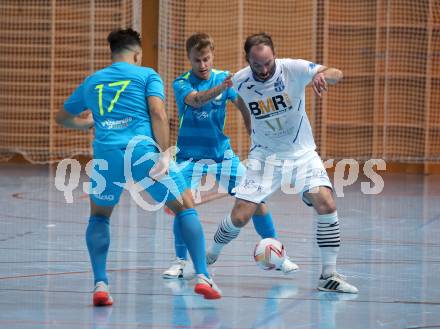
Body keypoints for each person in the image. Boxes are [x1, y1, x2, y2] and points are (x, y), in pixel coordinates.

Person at [56, 28, 221, 304]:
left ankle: (100, 284)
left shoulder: (92, 82)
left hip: (107, 156)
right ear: (137, 53)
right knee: (185, 205)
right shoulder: (146, 74)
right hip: (142, 153)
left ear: (113, 53)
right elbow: (157, 112)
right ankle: (204, 276)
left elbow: (61, 117)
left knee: (99, 216)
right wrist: (166, 153)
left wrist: (85, 123)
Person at [206, 32, 358, 294]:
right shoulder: (240, 80)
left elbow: (338, 73)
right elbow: (236, 99)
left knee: (326, 201)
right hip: (265, 156)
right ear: (248, 61)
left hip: (301, 153)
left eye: (268, 63)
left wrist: (323, 75)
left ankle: (328, 275)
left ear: (274, 55)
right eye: (257, 65)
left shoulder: (293, 69)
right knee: (240, 216)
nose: (264, 70)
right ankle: (206, 259)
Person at [162, 32, 298, 279]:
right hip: (188, 158)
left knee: (256, 201)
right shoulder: (181, 83)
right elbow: (196, 101)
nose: (202, 65)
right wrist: (222, 87)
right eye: (197, 61)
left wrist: (252, 130)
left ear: (212, 55)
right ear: (189, 60)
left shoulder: (224, 80)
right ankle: (180, 261)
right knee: (182, 207)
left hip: (222, 156)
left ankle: (279, 254)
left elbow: (243, 103)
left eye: (206, 59)